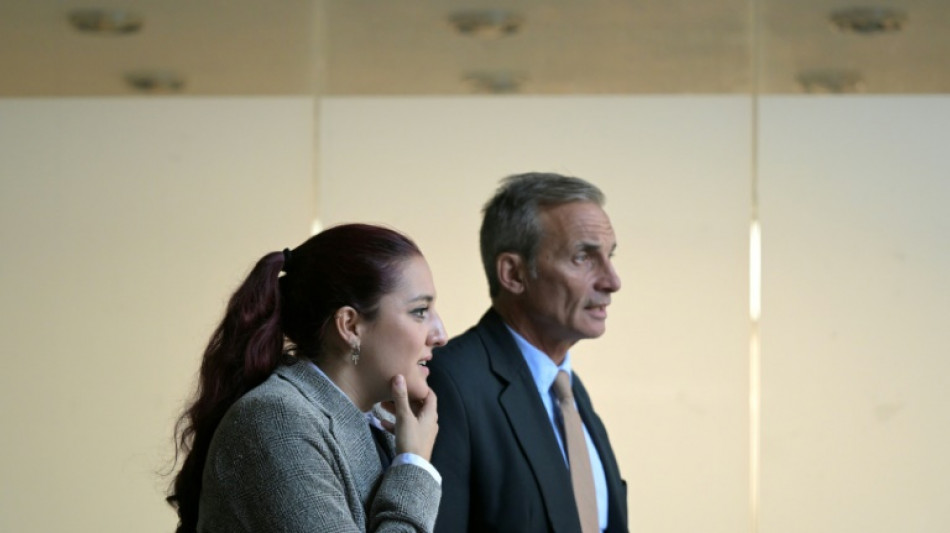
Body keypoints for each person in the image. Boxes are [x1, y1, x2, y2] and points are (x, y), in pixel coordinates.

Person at [167, 223, 447, 533]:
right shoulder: (275, 421)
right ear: (350, 327)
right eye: (420, 311)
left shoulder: (384, 421)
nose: (441, 334)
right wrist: (414, 467)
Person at [427, 172, 628, 533]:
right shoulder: (451, 383)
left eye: (609, 256)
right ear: (514, 274)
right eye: (583, 257)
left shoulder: (568, 390)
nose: (612, 281)